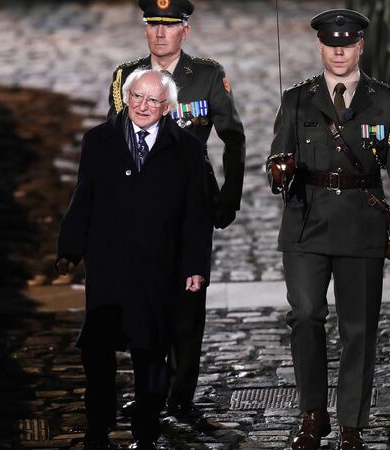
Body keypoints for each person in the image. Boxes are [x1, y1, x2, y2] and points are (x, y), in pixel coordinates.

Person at [266, 9, 390, 450]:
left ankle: (351, 422)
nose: (339, 50)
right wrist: (279, 170)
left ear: (359, 47)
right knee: (305, 315)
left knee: (359, 328)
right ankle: (313, 414)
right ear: (320, 47)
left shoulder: (387, 101)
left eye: (347, 44)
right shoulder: (297, 99)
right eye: (332, 44)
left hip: (361, 223)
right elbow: (276, 164)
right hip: (306, 222)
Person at [108, 0, 246, 421]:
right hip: (142, 204)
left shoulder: (205, 76)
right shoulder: (125, 77)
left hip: (191, 203)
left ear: (185, 29)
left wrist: (229, 197)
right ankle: (152, 387)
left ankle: (181, 391)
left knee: (188, 299)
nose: (161, 33)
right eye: (153, 24)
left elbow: (233, 138)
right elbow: (116, 142)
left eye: (169, 25)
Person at [57, 69, 209, 450]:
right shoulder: (99, 140)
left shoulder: (188, 149)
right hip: (108, 264)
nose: (143, 106)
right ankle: (98, 424)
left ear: (167, 107)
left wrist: (194, 266)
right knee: (97, 348)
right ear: (126, 97)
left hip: (159, 267)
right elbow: (84, 197)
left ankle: (146, 428)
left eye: (153, 100)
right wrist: (69, 249)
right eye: (137, 97)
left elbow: (196, 215)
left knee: (151, 351)